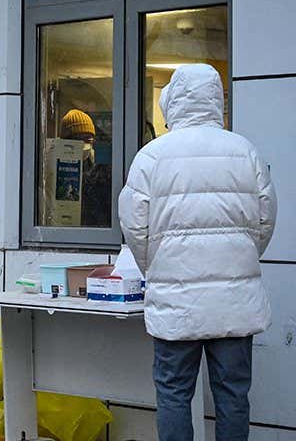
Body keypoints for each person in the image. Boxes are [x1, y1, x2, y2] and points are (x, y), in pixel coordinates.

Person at [119, 63, 276, 441]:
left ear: (174, 101)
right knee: (233, 395)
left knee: (174, 393)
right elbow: (265, 221)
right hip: (235, 301)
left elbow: (134, 226)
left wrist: (155, 266)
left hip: (177, 302)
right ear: (214, 100)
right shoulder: (245, 152)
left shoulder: (151, 157)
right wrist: (240, 258)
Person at [59, 108, 111, 227]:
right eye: (78, 140)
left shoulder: (98, 175)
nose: (85, 146)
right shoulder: (53, 171)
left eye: (89, 140)